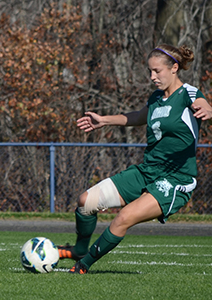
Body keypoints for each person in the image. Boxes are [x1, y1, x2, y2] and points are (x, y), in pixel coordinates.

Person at [58, 44, 212, 274]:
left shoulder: (188, 93)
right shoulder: (156, 99)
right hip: (146, 171)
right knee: (85, 201)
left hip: (175, 179)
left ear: (174, 68)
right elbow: (139, 116)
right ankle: (80, 249)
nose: (152, 77)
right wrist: (103, 120)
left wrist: (208, 109)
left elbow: (202, 104)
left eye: (157, 71)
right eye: (150, 71)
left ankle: (83, 265)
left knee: (123, 218)